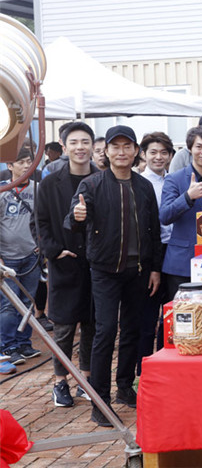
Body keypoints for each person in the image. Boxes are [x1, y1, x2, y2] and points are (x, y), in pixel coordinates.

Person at [66, 125, 163, 426]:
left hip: (138, 271)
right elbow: (73, 220)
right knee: (105, 331)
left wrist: (155, 268)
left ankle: (124, 387)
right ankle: (100, 401)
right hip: (104, 271)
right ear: (106, 151)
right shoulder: (92, 184)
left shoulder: (143, 186)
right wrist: (77, 217)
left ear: (135, 151)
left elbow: (154, 230)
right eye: (115, 147)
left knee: (133, 329)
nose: (121, 152)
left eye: (127, 146)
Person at [34, 122, 97, 408]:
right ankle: (60, 382)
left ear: (93, 145)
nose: (80, 147)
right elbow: (39, 223)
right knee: (64, 328)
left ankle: (86, 379)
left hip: (96, 265)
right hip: (64, 264)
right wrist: (55, 251)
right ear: (64, 146)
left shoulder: (102, 179)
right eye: (74, 142)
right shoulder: (50, 183)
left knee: (92, 324)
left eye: (85, 141)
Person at [159, 125, 202, 301]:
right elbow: (165, 216)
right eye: (199, 146)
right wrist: (187, 197)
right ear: (190, 149)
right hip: (182, 262)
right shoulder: (175, 179)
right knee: (182, 312)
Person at [0, 147, 41, 372]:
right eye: (21, 162)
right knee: (8, 305)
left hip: (31, 256)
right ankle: (8, 346)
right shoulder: (2, 191)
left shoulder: (38, 189)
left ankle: (24, 343)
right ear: (9, 166)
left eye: (29, 161)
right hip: (7, 259)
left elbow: (44, 220)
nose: (26, 166)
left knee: (27, 302)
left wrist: (42, 245)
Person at [137, 132, 174, 372]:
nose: (158, 157)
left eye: (163, 152)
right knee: (147, 315)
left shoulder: (175, 181)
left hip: (173, 250)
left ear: (170, 156)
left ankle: (164, 364)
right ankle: (142, 369)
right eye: (153, 152)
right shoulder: (140, 183)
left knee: (170, 313)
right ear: (143, 154)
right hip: (149, 252)